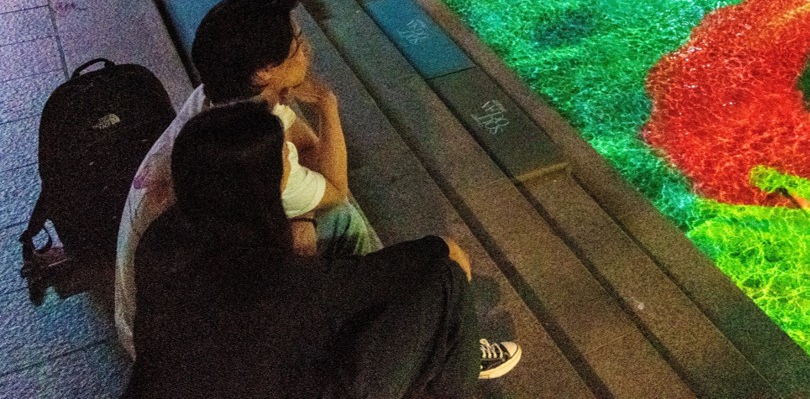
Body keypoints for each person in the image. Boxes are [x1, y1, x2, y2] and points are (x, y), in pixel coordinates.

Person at [125, 101, 520, 399]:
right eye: (283, 155)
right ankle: (459, 358)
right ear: (260, 182)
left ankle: (454, 349)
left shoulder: (165, 238)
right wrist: (442, 250)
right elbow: (392, 272)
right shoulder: (276, 280)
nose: (290, 156)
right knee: (445, 278)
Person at [115, 0, 382, 356]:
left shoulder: (219, 98)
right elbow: (336, 188)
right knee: (343, 217)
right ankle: (365, 335)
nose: (307, 50)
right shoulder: (254, 151)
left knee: (313, 214)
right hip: (176, 343)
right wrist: (327, 104)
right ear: (263, 71)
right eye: (298, 44)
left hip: (155, 305)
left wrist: (302, 209)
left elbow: (307, 148)